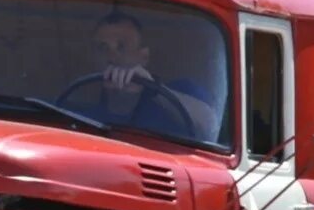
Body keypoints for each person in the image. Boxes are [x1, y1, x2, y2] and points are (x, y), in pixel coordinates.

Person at [84, 11, 229, 145]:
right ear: (93, 57)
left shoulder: (180, 93)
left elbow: (210, 126)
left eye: (122, 47)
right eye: (102, 48)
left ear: (143, 56)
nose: (111, 57)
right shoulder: (79, 111)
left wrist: (154, 88)